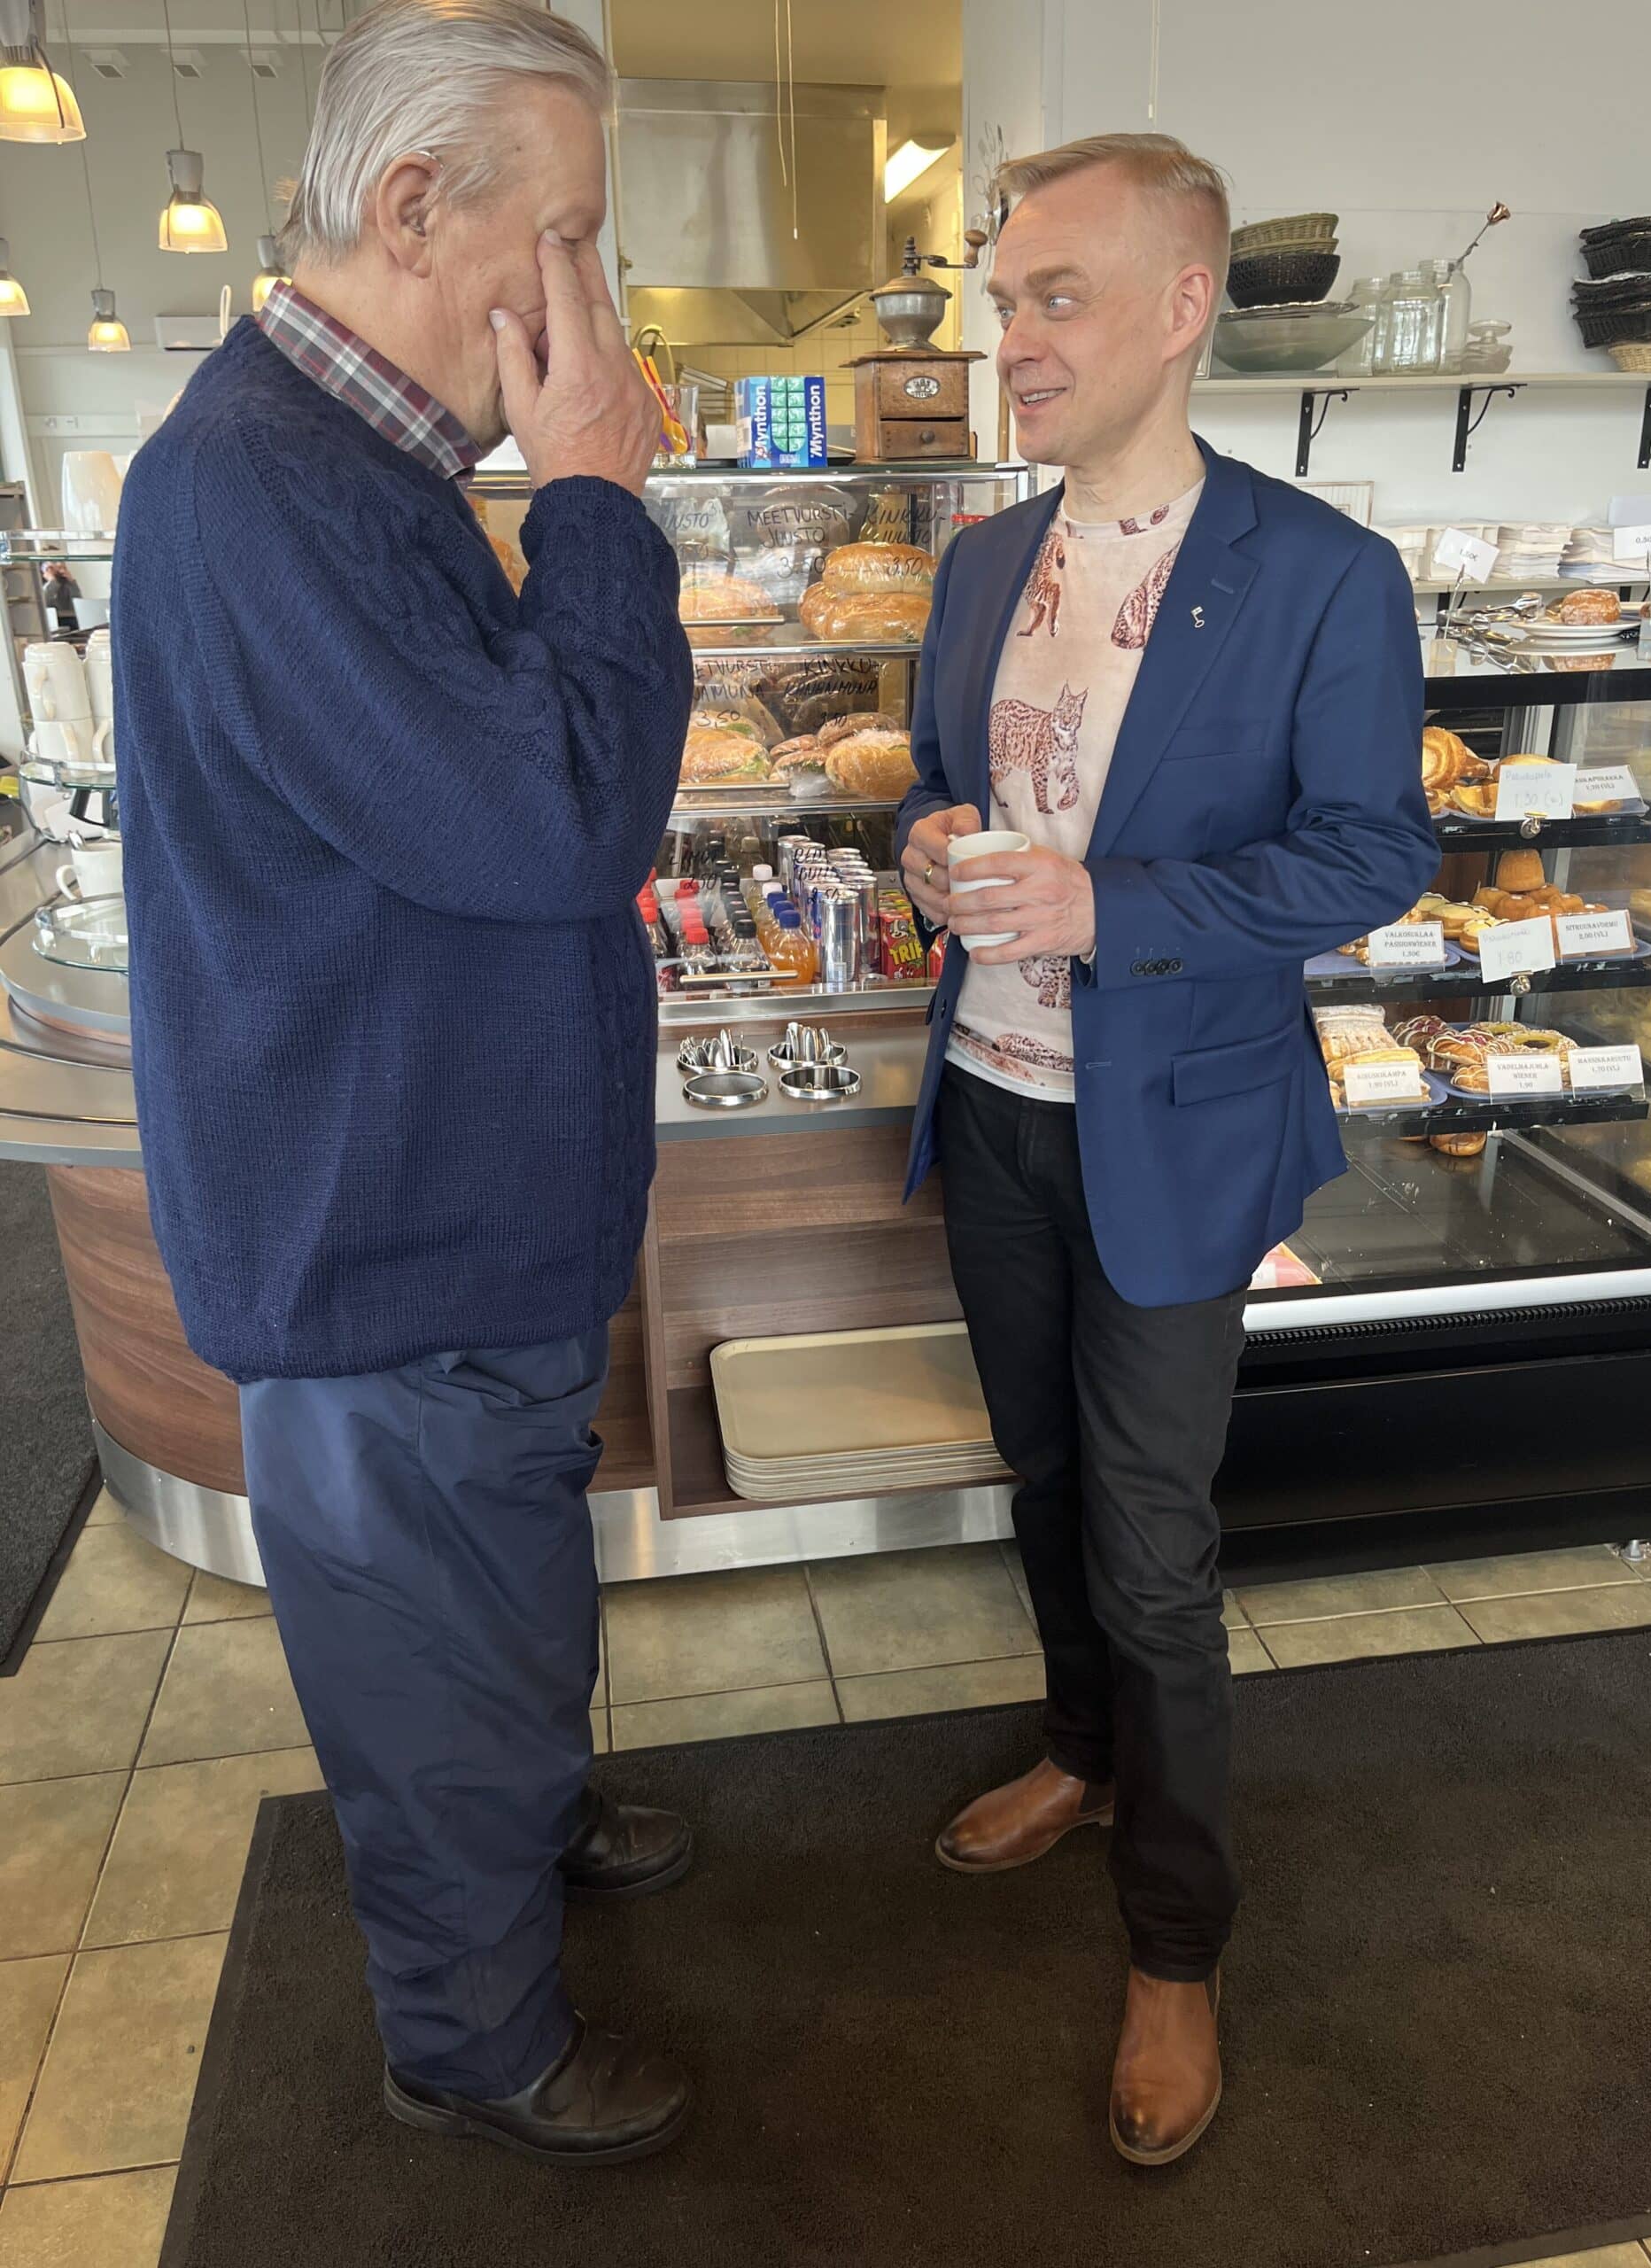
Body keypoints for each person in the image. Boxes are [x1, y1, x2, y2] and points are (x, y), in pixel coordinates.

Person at [112, 0, 695, 2167]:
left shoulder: (361, 470)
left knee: (507, 1598)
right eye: (575, 239)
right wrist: (599, 497)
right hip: (383, 1247)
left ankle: (527, 1824)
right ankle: (472, 2039)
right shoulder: (257, 488)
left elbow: (500, 803)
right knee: (428, 1676)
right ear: (417, 204)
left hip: (457, 1218)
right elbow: (557, 825)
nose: (591, 299)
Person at [896, 133, 1435, 2165]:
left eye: (1056, 296)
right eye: (1004, 300)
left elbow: (1373, 850)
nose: (1012, 341)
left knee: (1151, 1541)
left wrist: (1111, 907)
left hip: (1180, 1134)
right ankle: (1080, 1748)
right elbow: (941, 786)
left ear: (1185, 304)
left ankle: (1178, 1944)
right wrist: (930, 845)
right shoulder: (979, 561)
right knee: (1041, 1474)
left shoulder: (1320, 574)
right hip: (994, 1103)